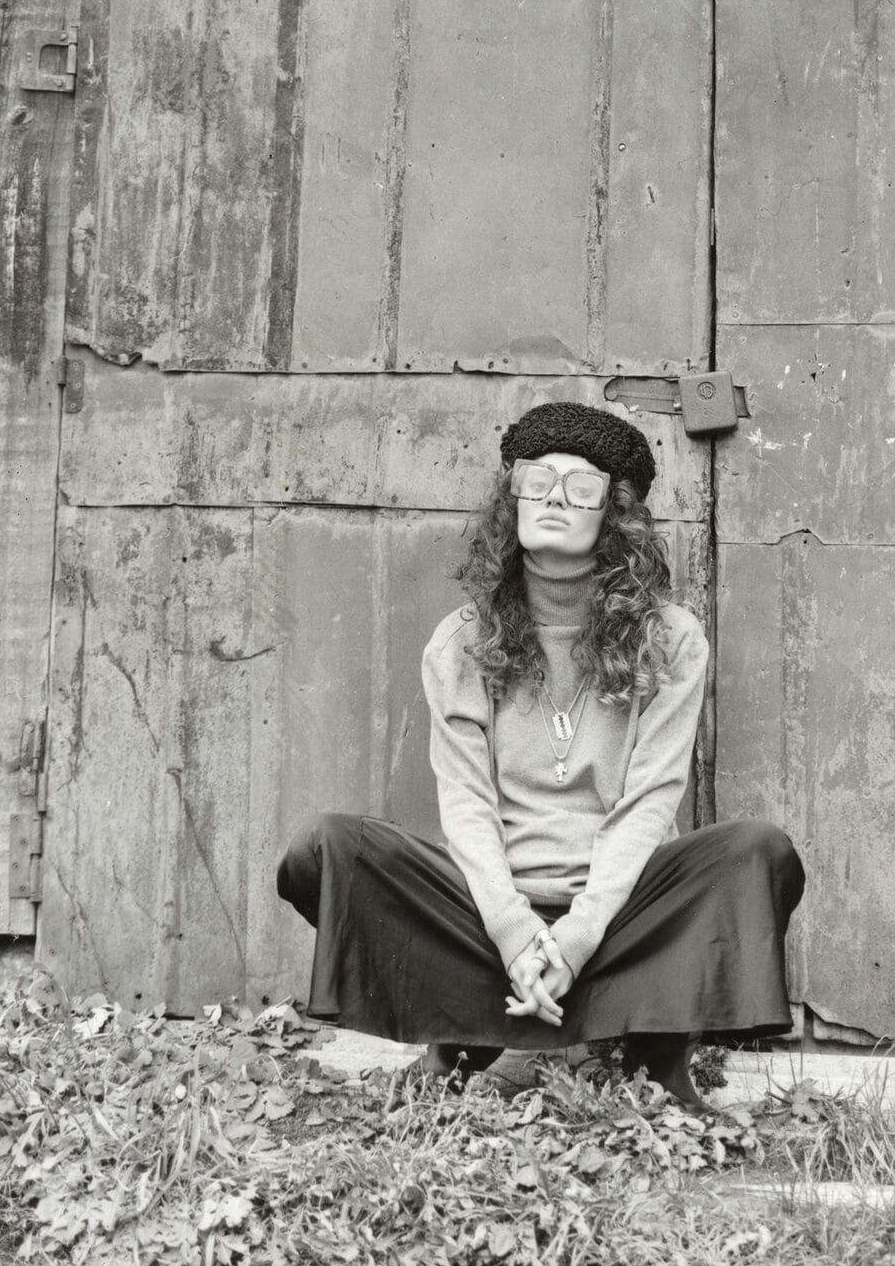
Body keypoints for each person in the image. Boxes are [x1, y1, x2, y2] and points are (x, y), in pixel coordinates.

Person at [276, 399, 805, 1109]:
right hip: (486, 914)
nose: (553, 498)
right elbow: (465, 803)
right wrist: (514, 928)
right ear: (512, 500)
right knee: (326, 849)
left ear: (612, 514)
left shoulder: (672, 640)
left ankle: (654, 1053)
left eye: (579, 486)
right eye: (536, 481)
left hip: (621, 916)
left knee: (756, 853)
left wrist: (579, 934)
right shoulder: (462, 641)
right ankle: (461, 1040)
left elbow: (650, 802)